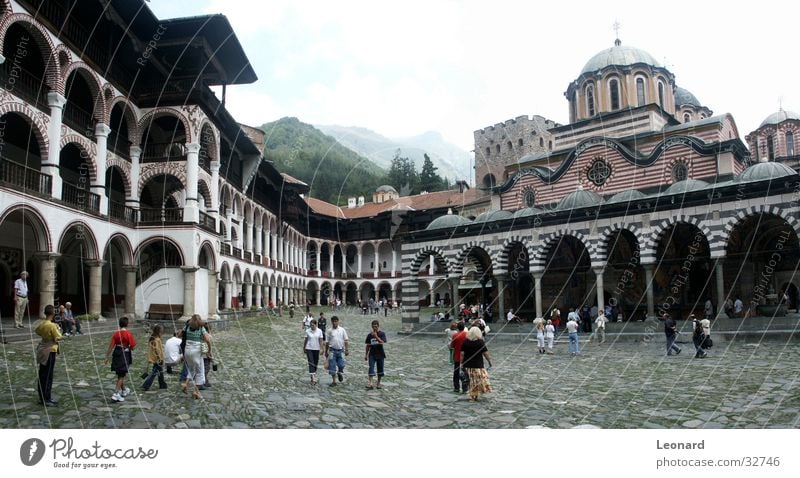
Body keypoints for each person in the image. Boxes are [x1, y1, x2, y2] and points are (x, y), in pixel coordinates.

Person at [34, 305, 61, 406]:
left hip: (42, 349)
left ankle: (42, 397)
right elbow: (58, 337)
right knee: (48, 375)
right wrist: (58, 329)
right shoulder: (52, 325)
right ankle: (46, 398)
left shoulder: (42, 324)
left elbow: (37, 331)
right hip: (50, 350)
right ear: (53, 314)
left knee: (42, 374)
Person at [104, 317, 137, 403]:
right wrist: (128, 347)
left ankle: (124, 390)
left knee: (120, 373)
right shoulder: (128, 334)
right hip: (124, 354)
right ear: (127, 324)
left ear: (119, 324)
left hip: (116, 353)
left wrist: (107, 356)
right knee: (122, 374)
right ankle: (116, 394)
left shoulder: (116, 334)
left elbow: (111, 345)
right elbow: (133, 347)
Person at [181, 314, 211, 400]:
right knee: (200, 372)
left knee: (191, 369)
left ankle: (185, 384)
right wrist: (209, 351)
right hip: (196, 352)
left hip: (187, 351)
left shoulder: (186, 327)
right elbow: (208, 340)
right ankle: (196, 392)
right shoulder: (201, 328)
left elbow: (180, 335)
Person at [460, 326, 493, 402]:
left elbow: (462, 354)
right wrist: (489, 362)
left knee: (471, 381)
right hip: (478, 365)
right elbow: (486, 353)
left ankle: (472, 395)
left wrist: (461, 363)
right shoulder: (480, 342)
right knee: (479, 380)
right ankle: (475, 395)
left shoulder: (465, 342)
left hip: (467, 364)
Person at [324, 316, 349, 386]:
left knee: (342, 364)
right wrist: (326, 351)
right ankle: (334, 381)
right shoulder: (329, 331)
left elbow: (346, 340)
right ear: (331, 322)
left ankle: (340, 372)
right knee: (332, 366)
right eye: (333, 321)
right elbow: (327, 342)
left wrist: (347, 349)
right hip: (332, 350)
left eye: (336, 321)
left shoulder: (342, 330)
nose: (335, 323)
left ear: (338, 321)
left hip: (341, 350)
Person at [142, 324, 167, 391]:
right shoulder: (157, 340)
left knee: (160, 371)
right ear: (159, 332)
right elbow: (157, 350)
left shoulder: (152, 338)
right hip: (157, 359)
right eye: (162, 332)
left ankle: (162, 384)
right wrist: (160, 359)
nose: (162, 333)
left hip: (154, 358)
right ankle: (146, 384)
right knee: (154, 372)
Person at [364, 320, 387, 389]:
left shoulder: (382, 334)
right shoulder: (369, 335)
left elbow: (382, 342)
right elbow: (368, 345)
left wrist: (376, 336)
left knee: (380, 368)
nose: (375, 328)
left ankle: (378, 383)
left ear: (378, 326)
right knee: (371, 367)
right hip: (372, 354)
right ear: (372, 327)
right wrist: (366, 354)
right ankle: (371, 383)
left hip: (380, 354)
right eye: (373, 326)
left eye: (376, 326)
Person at [449, 321, 469, 393]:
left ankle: (456, 387)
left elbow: (452, 346)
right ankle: (465, 388)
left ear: (458, 328)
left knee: (456, 372)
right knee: (466, 373)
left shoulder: (455, 335)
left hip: (457, 356)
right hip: (466, 357)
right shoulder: (467, 335)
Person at [303, 318, 324, 384]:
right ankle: (313, 378)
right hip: (309, 348)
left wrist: (322, 348)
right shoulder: (307, 331)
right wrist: (304, 348)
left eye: (313, 325)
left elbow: (321, 340)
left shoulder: (319, 331)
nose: (311, 326)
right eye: (310, 325)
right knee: (311, 362)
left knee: (315, 363)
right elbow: (306, 340)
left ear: (316, 325)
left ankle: (313, 374)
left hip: (316, 348)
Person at [201, 322, 214, 388]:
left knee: (201, 368)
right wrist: (210, 355)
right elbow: (209, 346)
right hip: (206, 355)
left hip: (200, 354)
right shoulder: (209, 336)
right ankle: (204, 381)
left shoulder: (200, 335)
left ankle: (204, 381)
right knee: (206, 368)